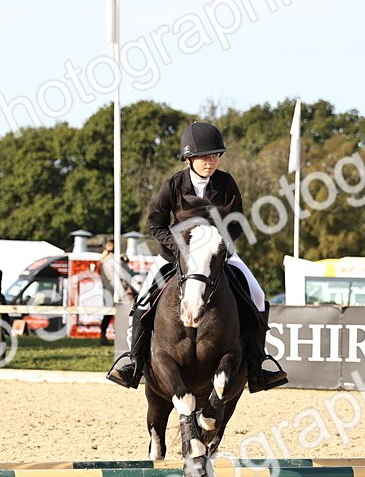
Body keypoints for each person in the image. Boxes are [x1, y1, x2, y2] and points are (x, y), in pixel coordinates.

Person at [106, 121, 288, 393]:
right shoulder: (174, 185)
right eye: (205, 156)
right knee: (143, 298)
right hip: (175, 256)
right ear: (189, 158)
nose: (211, 161)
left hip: (217, 255)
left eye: (215, 155)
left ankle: (257, 364)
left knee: (258, 295)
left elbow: (238, 221)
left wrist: (223, 244)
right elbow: (156, 223)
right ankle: (133, 363)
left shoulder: (226, 183)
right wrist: (179, 247)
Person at [98, 239, 133, 345]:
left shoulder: (103, 259)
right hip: (116, 290)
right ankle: (120, 338)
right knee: (121, 314)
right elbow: (124, 275)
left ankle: (103, 336)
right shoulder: (114, 260)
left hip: (107, 289)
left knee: (108, 314)